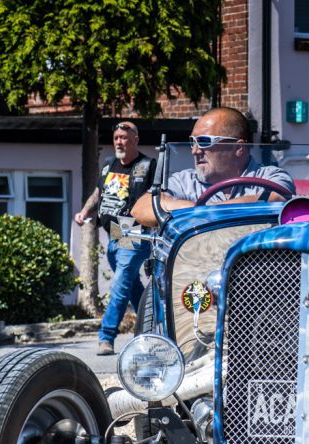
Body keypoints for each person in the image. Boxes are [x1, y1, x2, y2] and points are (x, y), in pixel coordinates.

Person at [130, 107, 294, 228]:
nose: (195, 151)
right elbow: (140, 208)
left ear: (238, 148)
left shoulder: (269, 177)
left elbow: (278, 198)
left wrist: (205, 212)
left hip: (251, 263)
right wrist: (195, 209)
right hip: (197, 263)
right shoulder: (185, 181)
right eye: (192, 142)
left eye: (204, 142)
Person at [74, 121, 156, 356]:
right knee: (131, 285)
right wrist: (84, 212)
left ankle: (106, 337)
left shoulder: (147, 165)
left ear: (135, 140)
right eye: (116, 138)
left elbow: (157, 198)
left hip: (134, 230)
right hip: (113, 232)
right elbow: (98, 193)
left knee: (120, 284)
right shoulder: (109, 164)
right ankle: (152, 326)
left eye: (124, 138)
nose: (119, 142)